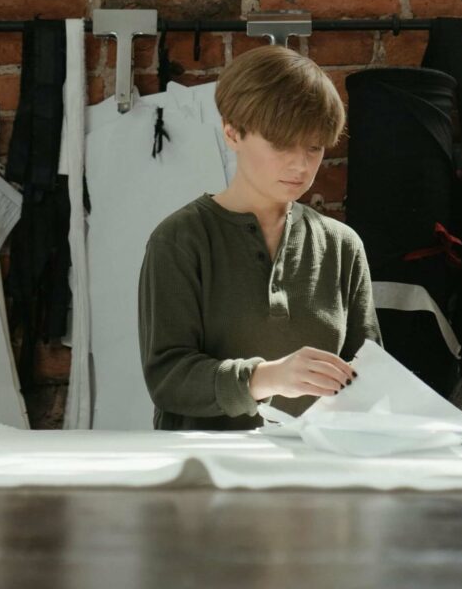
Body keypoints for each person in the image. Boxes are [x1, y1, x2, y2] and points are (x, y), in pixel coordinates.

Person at [137, 45, 381, 431]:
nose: (300, 165)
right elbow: (167, 378)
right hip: (206, 475)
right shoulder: (180, 240)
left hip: (317, 474)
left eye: (314, 147)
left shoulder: (341, 245)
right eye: (281, 143)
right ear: (232, 132)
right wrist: (267, 378)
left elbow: (369, 379)